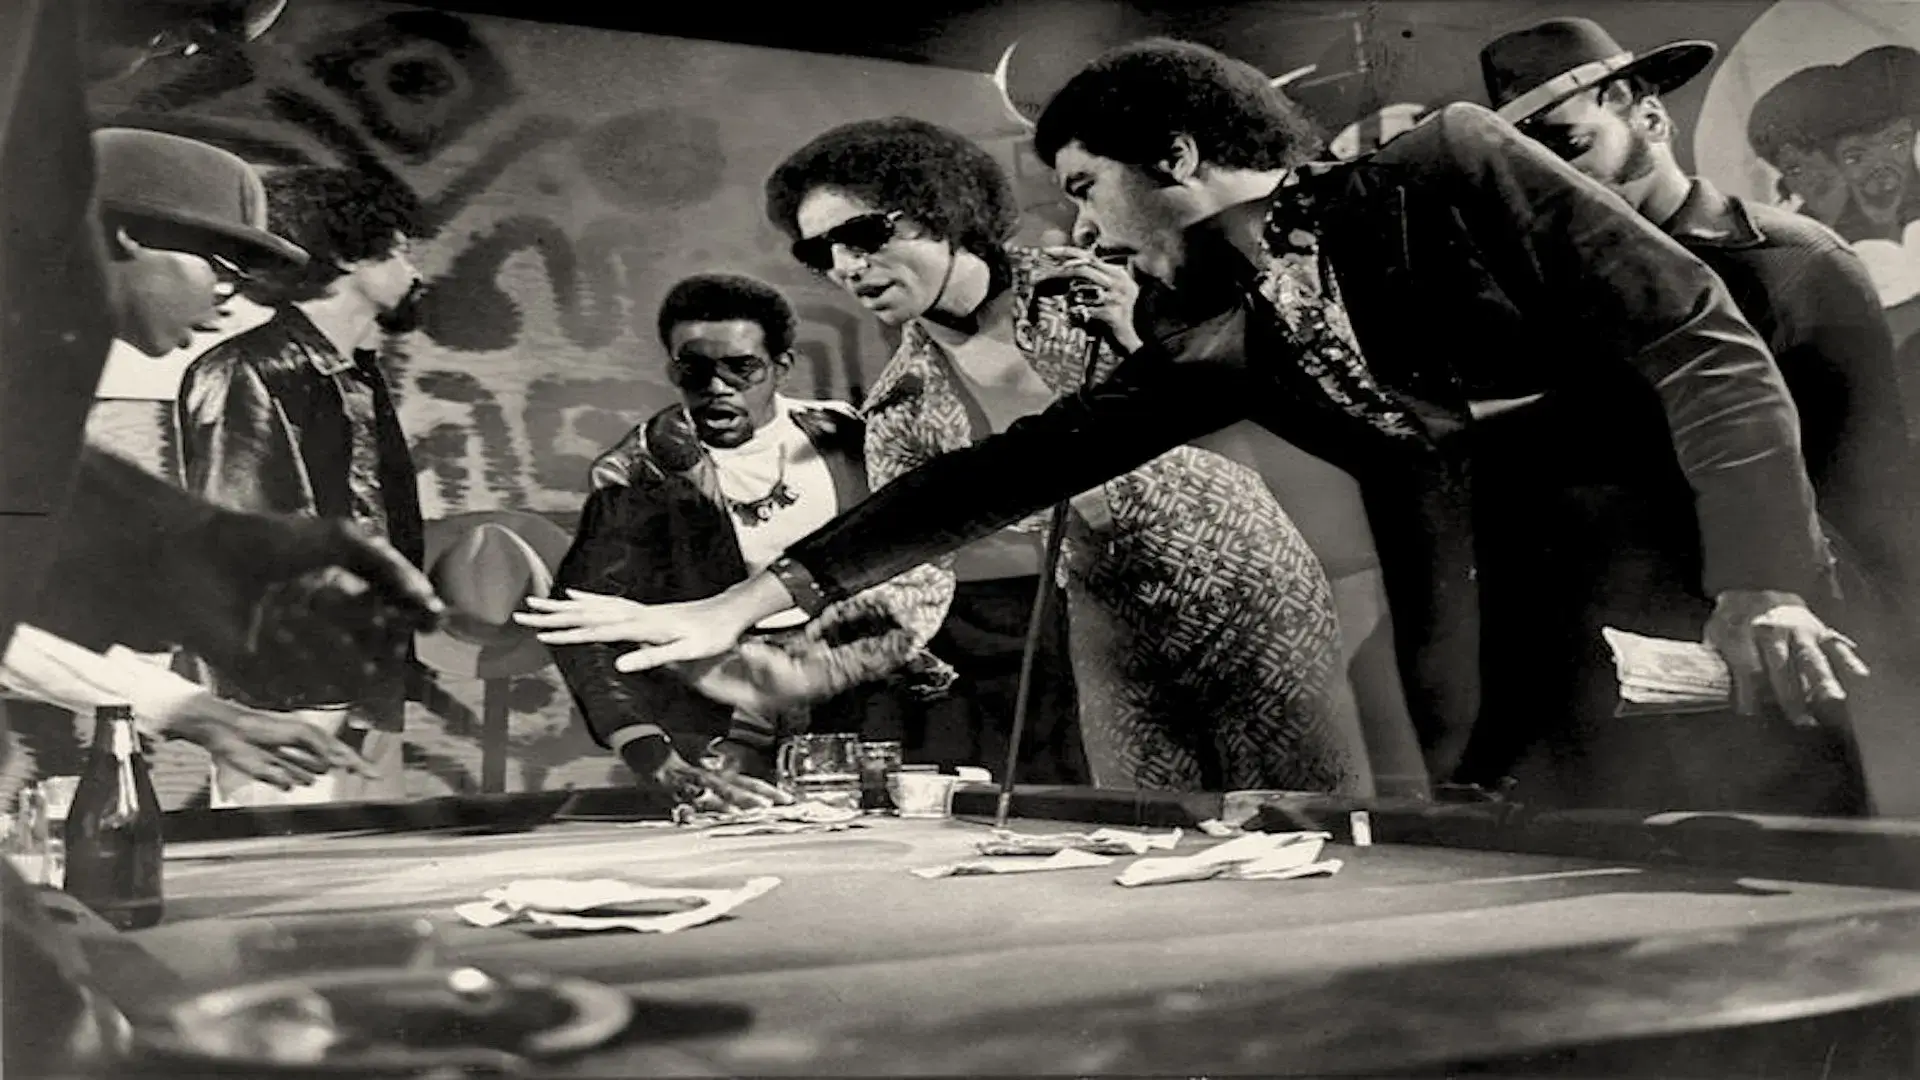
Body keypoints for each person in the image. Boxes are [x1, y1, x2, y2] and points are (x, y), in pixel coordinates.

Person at [519, 38, 1866, 816]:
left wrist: (1764, 578)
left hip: (1711, 580)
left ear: (1174, 155)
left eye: (1088, 184)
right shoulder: (1230, 331)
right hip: (1526, 649)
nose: (1085, 222)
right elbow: (1016, 467)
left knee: (1767, 854)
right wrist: (747, 602)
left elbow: (1698, 341)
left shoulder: (1444, 164)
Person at [750, 116, 1366, 794]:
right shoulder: (900, 406)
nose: (846, 266)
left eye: (863, 235)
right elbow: (915, 576)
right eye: (820, 254)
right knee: (1145, 826)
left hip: (1246, 583)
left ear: (941, 208)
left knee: (1306, 813)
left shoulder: (1105, 281)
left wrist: (1143, 332)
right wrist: (827, 657)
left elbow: (1260, 369)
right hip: (1110, 622)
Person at [1484, 17, 1917, 620]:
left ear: (1650, 118)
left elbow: (1872, 497)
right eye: (1529, 165)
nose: (1553, 182)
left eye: (1573, 147)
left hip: (1767, 619)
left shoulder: (1796, 263)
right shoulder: (1541, 291)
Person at [552, 273, 959, 810]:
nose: (717, 387)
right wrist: (650, 752)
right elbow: (581, 621)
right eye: (694, 370)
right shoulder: (638, 471)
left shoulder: (846, 435)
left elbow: (920, 552)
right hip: (722, 721)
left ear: (781, 366)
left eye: (741, 368)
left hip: (861, 701)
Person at [176, 165, 431, 802]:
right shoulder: (246, 370)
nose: (415, 272)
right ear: (347, 256)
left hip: (359, 686)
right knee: (286, 849)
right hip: (291, 701)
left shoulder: (353, 376)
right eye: (399, 250)